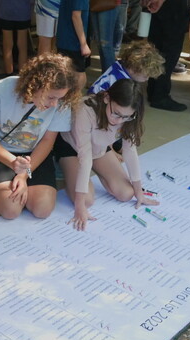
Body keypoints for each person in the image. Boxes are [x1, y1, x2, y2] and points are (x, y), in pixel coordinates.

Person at [0, 53, 80, 220]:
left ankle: (13, 187)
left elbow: (48, 141)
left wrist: (23, 174)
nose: (54, 104)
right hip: (2, 152)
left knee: (43, 209)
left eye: (59, 98)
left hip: (35, 154)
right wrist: (13, 163)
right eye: (51, 97)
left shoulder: (62, 101)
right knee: (11, 210)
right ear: (35, 85)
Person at [54, 79, 159, 231]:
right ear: (106, 98)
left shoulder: (129, 117)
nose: (119, 121)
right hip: (73, 148)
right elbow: (85, 158)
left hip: (100, 147)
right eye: (116, 113)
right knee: (86, 201)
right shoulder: (85, 110)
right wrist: (79, 206)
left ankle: (98, 172)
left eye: (126, 117)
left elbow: (130, 151)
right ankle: (63, 167)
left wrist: (139, 191)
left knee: (126, 194)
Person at [146, 0, 190, 112]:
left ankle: (153, 90)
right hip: (172, 9)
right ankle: (160, 95)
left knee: (156, 49)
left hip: (160, 9)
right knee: (169, 53)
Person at [88, 39, 165, 94]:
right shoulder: (122, 84)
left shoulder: (119, 65)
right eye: (146, 75)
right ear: (133, 69)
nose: (147, 78)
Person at [56, 0, 91, 90]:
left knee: (65, 72)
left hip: (65, 38)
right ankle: (74, 100)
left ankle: (70, 99)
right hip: (73, 41)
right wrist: (83, 44)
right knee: (79, 72)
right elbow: (76, 16)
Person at [0, 0, 31, 76]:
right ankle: (22, 75)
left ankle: (8, 73)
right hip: (23, 10)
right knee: (22, 45)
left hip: (5, 10)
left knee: (7, 45)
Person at [91, 6, 119, 73]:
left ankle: (111, 78)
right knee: (101, 45)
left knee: (105, 45)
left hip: (108, 4)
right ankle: (107, 76)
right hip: (95, 3)